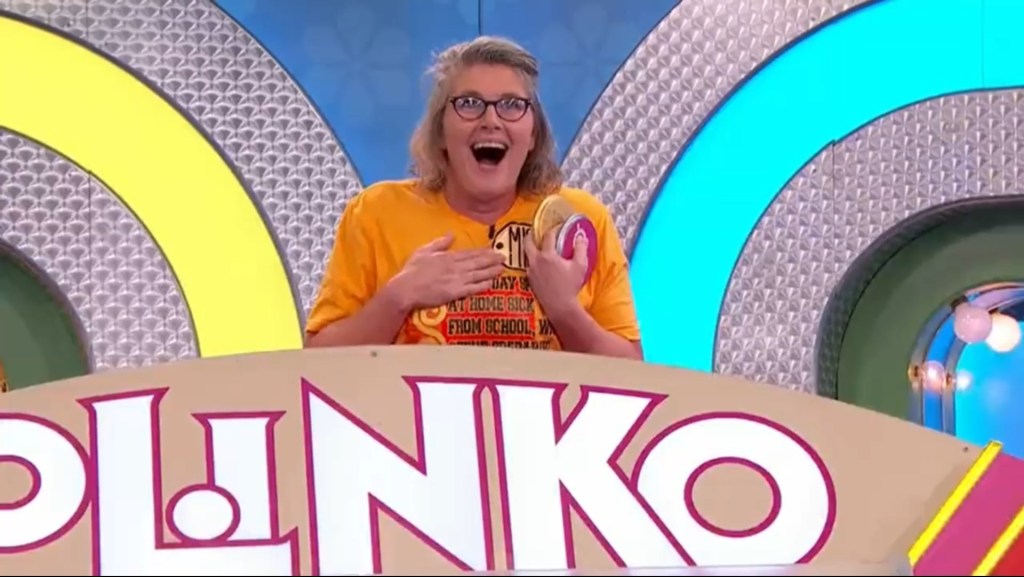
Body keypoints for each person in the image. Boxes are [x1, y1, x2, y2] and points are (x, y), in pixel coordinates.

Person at [304, 35, 642, 360]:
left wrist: (564, 310)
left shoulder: (579, 221)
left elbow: (633, 376)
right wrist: (398, 297)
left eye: (511, 105)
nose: (490, 120)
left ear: (532, 134)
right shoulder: (376, 213)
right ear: (440, 132)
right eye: (469, 103)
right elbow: (317, 362)